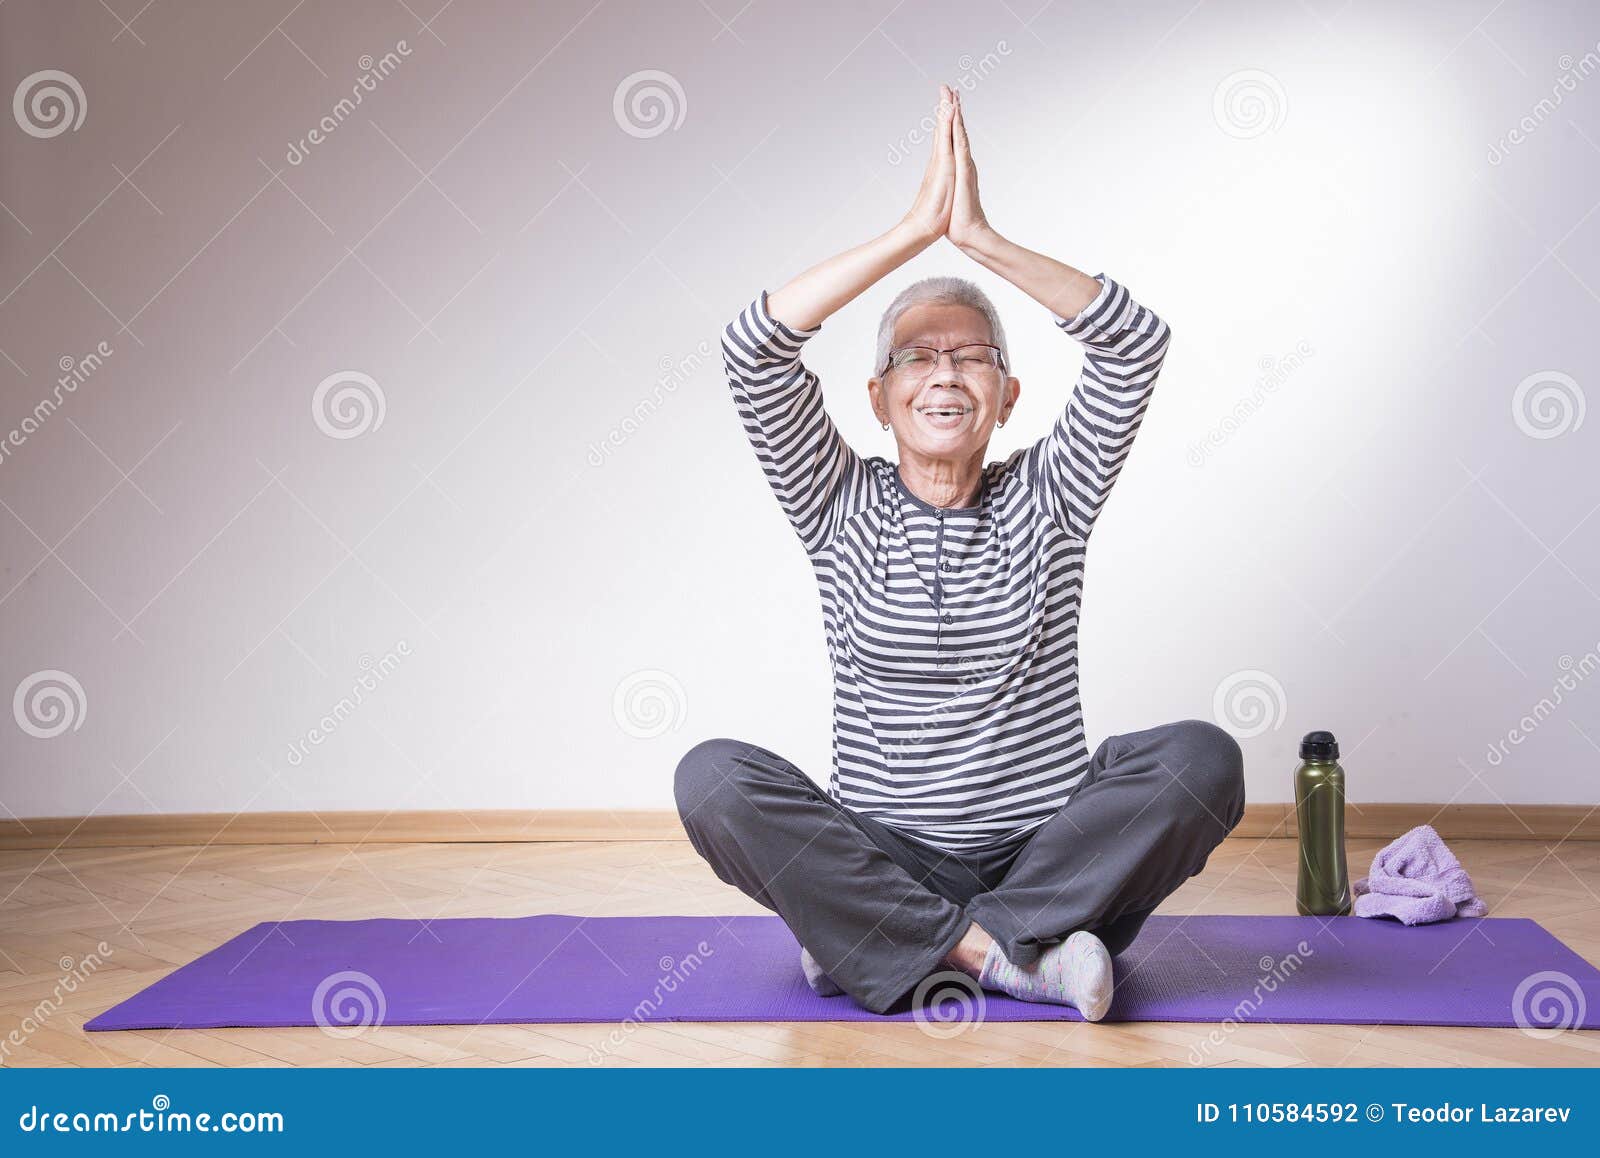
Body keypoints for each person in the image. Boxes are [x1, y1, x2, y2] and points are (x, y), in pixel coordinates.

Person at [675, 84, 1245, 1021]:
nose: (944, 372)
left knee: (1204, 759)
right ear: (878, 395)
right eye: (916, 356)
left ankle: (883, 942)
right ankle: (1021, 958)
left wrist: (978, 238)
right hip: (886, 846)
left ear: (1009, 394)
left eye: (971, 355)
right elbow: (752, 351)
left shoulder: (1051, 494)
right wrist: (913, 232)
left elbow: (1135, 345)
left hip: (1049, 854)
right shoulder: (835, 501)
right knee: (712, 778)